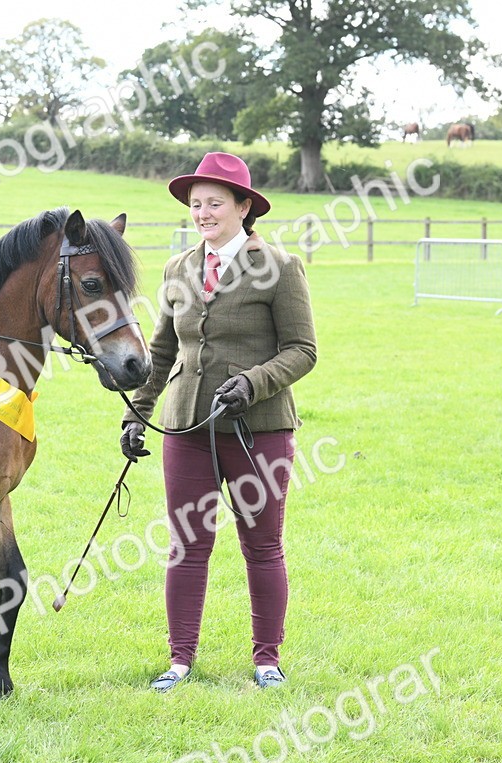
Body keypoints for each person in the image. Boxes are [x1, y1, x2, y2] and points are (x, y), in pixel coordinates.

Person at [120, 152, 317, 691]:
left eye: (214, 203)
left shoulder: (280, 267)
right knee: (187, 544)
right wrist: (138, 411)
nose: (202, 213)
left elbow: (303, 350)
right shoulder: (178, 268)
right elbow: (162, 352)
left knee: (263, 545)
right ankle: (180, 660)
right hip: (186, 427)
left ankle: (266, 660)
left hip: (261, 430)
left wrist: (253, 383)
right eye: (195, 204)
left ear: (243, 207)